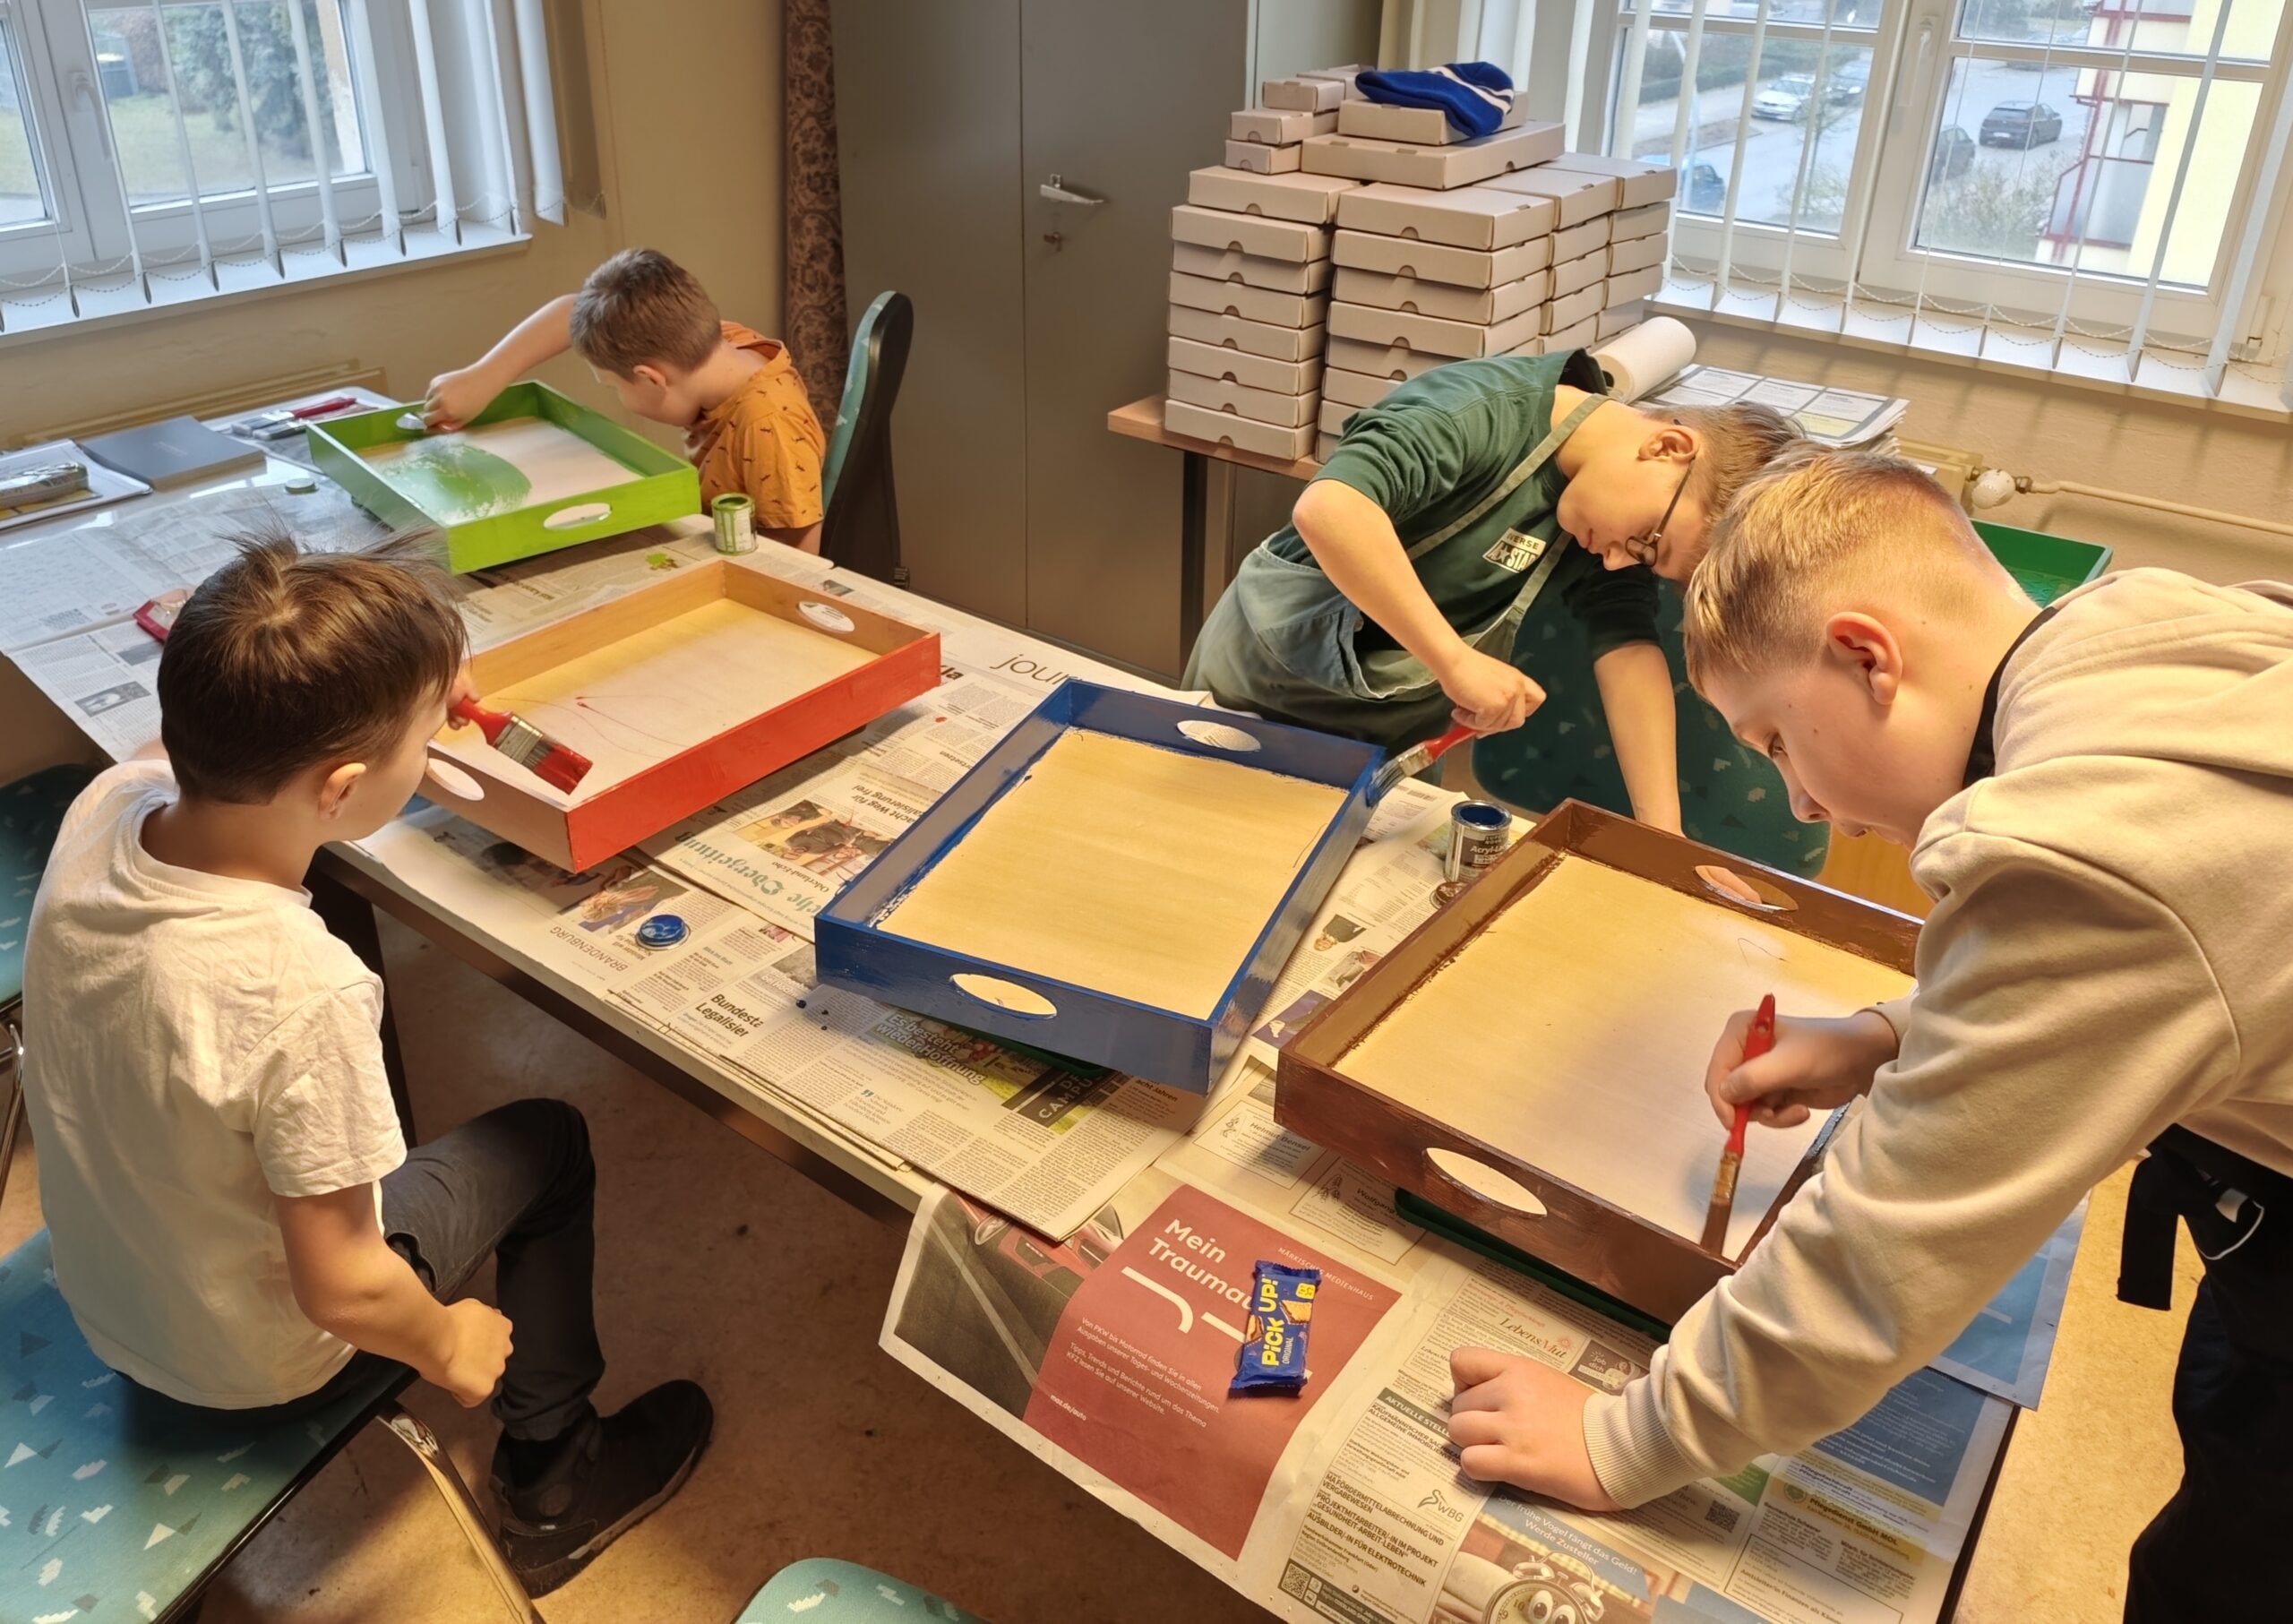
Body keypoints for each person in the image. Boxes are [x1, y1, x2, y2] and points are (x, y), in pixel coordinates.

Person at [1440, 449, 2293, 1619]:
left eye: (1776, 740)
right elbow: (2187, 952)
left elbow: (1880, 1258)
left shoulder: (2088, 856)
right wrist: (1887, 1033)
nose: (1800, 802)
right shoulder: (2137, 625)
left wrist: (1618, 1440)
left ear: (1866, 657)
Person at [20, 531, 714, 1597]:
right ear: (340, 789)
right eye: (423, 743)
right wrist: (446, 1341)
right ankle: (555, 1476)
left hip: (117, 1296)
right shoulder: (300, 986)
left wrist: (412, 685)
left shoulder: (103, 808)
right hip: (252, 1358)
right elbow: (343, 1285)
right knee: (551, 1142)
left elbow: (184, 748)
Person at [1183, 350, 1799, 833]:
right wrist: (1454, 661)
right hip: (1261, 690)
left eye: (1643, 560)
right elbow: (1331, 508)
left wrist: (1661, 834)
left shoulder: (1604, 511)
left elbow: (1627, 645)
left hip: (1390, 742)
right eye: (1644, 542)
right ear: (1667, 447)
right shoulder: (1477, 411)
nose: (1619, 561)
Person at [427, 246, 828, 552]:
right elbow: (573, 311)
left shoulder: (767, 424)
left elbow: (798, 562)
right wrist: (483, 377)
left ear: (650, 378)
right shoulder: (711, 345)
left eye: (613, 386)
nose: (617, 395)